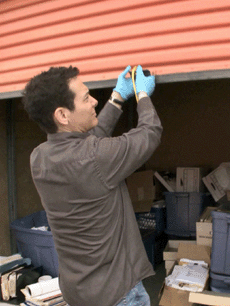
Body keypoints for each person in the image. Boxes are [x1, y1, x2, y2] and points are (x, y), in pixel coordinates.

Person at [21, 65, 162, 306]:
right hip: (118, 294)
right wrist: (143, 96)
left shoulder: (39, 158)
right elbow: (149, 133)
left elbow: (87, 140)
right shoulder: (94, 157)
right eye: (86, 98)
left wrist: (117, 99)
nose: (95, 101)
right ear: (63, 115)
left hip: (78, 293)